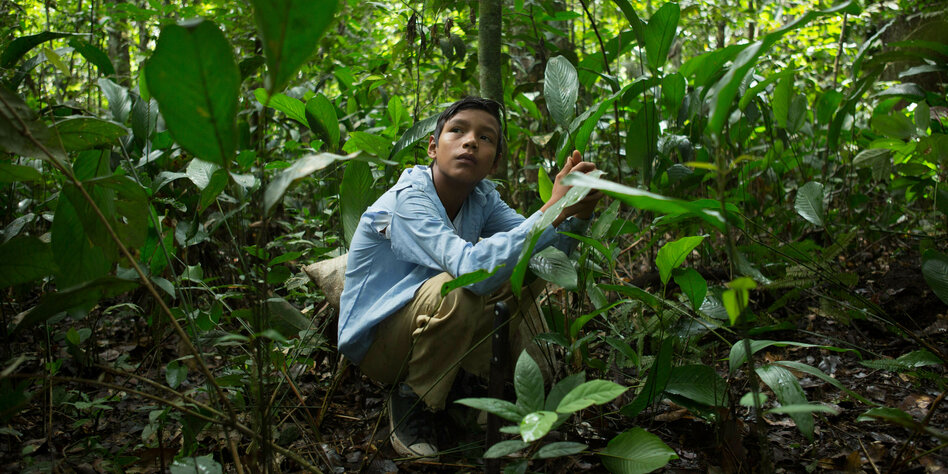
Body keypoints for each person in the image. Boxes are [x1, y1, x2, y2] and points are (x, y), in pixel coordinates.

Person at [336, 96, 602, 458]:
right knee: (459, 288)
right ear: (433, 147)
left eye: (486, 137)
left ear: (494, 162)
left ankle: (467, 391)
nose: (471, 141)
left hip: (430, 333)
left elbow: (539, 251)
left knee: (529, 268)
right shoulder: (410, 199)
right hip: (380, 345)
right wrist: (552, 208)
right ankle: (413, 402)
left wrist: (577, 213)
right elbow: (470, 270)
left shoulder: (482, 198)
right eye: (458, 131)